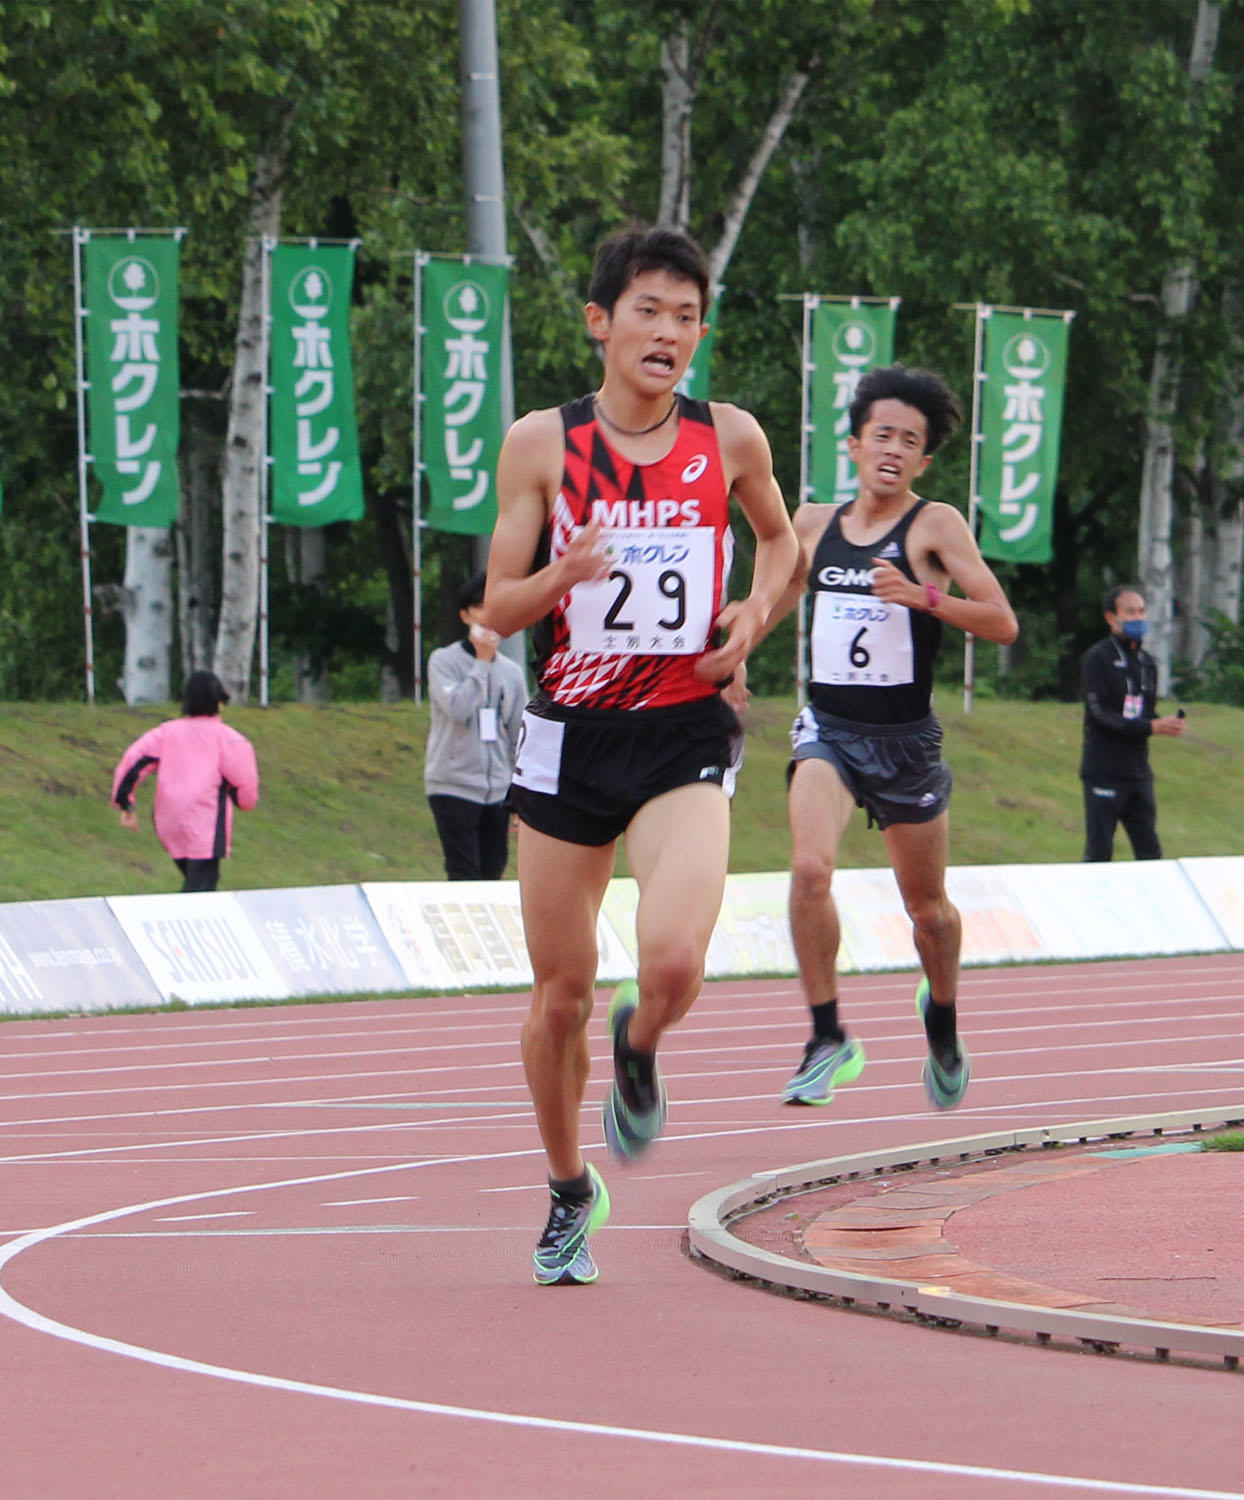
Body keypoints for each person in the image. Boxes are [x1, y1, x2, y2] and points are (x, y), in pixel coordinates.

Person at [481, 225, 799, 1286]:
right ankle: (570, 1186)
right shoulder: (541, 445)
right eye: (648, 312)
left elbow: (782, 541)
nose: (668, 333)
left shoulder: (731, 438)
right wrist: (564, 571)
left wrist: (754, 615)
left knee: (669, 960)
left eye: (685, 316)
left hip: (681, 730)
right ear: (599, 323)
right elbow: (497, 604)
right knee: (557, 992)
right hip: (568, 741)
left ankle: (642, 1043)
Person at [763, 365, 1017, 1111]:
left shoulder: (934, 526)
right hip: (831, 730)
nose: (894, 449)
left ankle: (941, 1017)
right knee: (810, 869)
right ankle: (826, 1035)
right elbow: (768, 602)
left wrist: (922, 596)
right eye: (883, 434)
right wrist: (731, 659)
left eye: (910, 440)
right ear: (854, 443)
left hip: (906, 742)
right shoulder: (811, 523)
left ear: (923, 460)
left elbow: (1001, 621)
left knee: (928, 913)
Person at [111, 670, 260, 893]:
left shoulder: (165, 733)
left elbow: (133, 762)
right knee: (200, 888)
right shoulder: (228, 739)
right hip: (206, 821)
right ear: (219, 700)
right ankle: (187, 923)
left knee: (197, 878)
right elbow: (244, 782)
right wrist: (244, 801)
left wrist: (125, 802)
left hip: (171, 820)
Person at [424, 571, 526, 880]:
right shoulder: (444, 662)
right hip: (453, 784)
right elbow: (458, 709)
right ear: (465, 615)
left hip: (496, 789)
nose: (487, 615)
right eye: (479, 606)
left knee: (493, 871)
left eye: (493, 607)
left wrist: (520, 794)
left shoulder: (511, 672)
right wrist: (481, 663)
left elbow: (517, 736)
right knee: (464, 872)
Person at [1079, 586, 1186, 861]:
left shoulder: (1147, 662)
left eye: (1141, 611)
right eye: (1129, 612)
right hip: (1103, 772)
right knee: (1100, 850)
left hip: (1138, 773)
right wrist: (1150, 727)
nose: (1137, 618)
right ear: (1111, 618)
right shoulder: (1097, 658)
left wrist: (1165, 724)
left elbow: (1145, 715)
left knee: (1150, 851)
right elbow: (1099, 714)